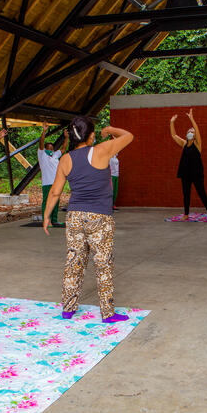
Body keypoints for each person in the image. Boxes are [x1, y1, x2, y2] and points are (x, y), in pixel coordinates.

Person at [43, 117, 133, 323]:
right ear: (91, 135)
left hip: (75, 216)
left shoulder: (66, 159)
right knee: (103, 264)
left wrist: (47, 215)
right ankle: (108, 313)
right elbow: (129, 136)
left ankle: (68, 308)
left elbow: (56, 192)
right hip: (100, 217)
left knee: (74, 262)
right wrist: (110, 128)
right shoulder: (102, 150)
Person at [170, 109, 207, 221]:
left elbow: (197, 130)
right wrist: (172, 122)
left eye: (192, 132)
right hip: (185, 173)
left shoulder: (198, 144)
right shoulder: (184, 144)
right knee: (186, 194)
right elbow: (173, 135)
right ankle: (186, 214)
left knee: (202, 193)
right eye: (189, 131)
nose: (190, 132)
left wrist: (191, 119)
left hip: (197, 173)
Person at [38, 122, 68, 227]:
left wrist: (66, 137)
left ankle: (54, 220)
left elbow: (63, 149)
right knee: (47, 201)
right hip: (47, 183)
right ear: (45, 149)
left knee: (56, 201)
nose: (50, 149)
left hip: (56, 182)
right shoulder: (42, 155)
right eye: (48, 148)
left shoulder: (55, 155)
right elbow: (41, 142)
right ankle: (46, 220)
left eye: (52, 148)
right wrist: (44, 131)